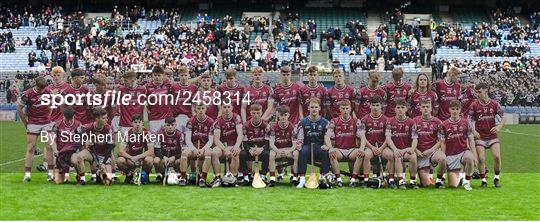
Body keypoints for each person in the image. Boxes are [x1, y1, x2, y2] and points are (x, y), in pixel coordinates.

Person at [18, 76, 54, 182]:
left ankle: (50, 173)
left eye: (43, 88)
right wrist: (26, 123)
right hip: (33, 123)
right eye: (40, 89)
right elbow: (19, 109)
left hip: (46, 123)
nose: (42, 91)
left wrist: (48, 115)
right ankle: (27, 174)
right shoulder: (28, 94)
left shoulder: (49, 91)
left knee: (50, 147)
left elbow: (52, 104)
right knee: (31, 148)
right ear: (35, 85)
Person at [469, 83, 504, 188]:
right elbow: (469, 120)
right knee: (481, 158)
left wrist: (498, 127)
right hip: (480, 137)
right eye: (477, 92)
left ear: (486, 90)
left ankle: (496, 178)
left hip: (492, 136)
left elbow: (504, 116)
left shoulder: (494, 104)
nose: (478, 94)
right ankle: (483, 180)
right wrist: (474, 131)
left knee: (497, 157)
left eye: (479, 92)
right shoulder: (474, 105)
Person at [439, 100, 477, 191]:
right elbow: (443, 142)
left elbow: (471, 139)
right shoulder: (444, 125)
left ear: (460, 110)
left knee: (469, 158)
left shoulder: (466, 123)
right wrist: (444, 157)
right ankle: (459, 175)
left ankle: (466, 182)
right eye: (453, 109)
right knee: (453, 185)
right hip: (451, 154)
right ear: (449, 110)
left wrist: (475, 156)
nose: (455, 111)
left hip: (463, 151)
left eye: (457, 109)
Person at [324, 100, 363, 187]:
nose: (345, 110)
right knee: (332, 154)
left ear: (350, 109)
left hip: (352, 149)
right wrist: (331, 148)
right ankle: (339, 179)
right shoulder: (334, 121)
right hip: (339, 149)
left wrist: (361, 148)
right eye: (343, 108)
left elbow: (363, 137)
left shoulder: (356, 121)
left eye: (347, 108)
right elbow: (327, 136)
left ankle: (353, 179)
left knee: (360, 154)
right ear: (340, 110)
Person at [73, 107, 115, 185]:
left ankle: (99, 173)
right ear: (97, 119)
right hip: (91, 153)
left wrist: (103, 163)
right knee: (79, 156)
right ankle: (82, 180)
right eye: (104, 118)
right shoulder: (88, 127)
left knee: (108, 182)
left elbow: (110, 148)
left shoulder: (108, 129)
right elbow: (76, 131)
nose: (107, 120)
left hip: (103, 156)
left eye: (106, 117)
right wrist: (85, 139)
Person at [295, 98, 330, 188]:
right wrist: (299, 144)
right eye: (312, 107)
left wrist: (327, 145)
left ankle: (323, 178)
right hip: (307, 146)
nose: (314, 109)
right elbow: (300, 136)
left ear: (319, 108)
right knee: (302, 151)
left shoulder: (325, 122)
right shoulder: (303, 122)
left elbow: (328, 136)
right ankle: (302, 180)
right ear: (308, 108)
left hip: (319, 146)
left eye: (316, 107)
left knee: (325, 152)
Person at [385, 99, 419, 189]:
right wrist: (395, 149)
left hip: (406, 148)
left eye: (402, 107)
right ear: (395, 109)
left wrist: (412, 148)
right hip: (394, 148)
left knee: (413, 157)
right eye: (398, 107)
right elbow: (388, 138)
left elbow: (415, 138)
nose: (400, 109)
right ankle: (401, 181)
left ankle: (413, 181)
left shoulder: (411, 122)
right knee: (396, 156)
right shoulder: (390, 121)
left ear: (406, 109)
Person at [358, 95, 391, 188]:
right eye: (373, 105)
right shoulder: (364, 119)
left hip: (383, 147)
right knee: (367, 155)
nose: (375, 107)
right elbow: (363, 137)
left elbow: (388, 138)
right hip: (369, 146)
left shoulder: (387, 120)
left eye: (377, 105)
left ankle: (390, 179)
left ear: (381, 106)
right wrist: (372, 148)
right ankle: (366, 180)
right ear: (370, 106)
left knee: (390, 155)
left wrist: (380, 148)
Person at [413, 100, 446, 188]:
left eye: (427, 106)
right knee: (426, 184)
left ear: (431, 108)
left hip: (432, 152)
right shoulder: (415, 121)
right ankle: (424, 177)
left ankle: (439, 181)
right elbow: (410, 139)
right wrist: (416, 150)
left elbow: (441, 140)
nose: (425, 109)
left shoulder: (438, 122)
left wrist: (430, 150)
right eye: (423, 107)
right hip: (420, 154)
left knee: (442, 158)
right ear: (420, 109)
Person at [209, 102, 243, 187]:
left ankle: (232, 177)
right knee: (214, 152)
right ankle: (217, 178)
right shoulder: (217, 121)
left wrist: (236, 146)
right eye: (224, 107)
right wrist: (225, 149)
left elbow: (240, 134)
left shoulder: (237, 117)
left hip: (234, 145)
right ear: (221, 108)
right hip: (222, 146)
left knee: (236, 152)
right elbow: (216, 140)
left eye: (228, 107)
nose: (227, 109)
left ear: (232, 107)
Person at [116, 114, 155, 184]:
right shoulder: (127, 134)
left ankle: (145, 175)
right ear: (132, 123)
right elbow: (120, 151)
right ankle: (129, 175)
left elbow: (151, 151)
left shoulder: (147, 134)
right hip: (131, 160)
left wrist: (138, 157)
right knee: (120, 161)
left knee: (149, 160)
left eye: (139, 122)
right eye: (135, 122)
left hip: (143, 159)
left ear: (142, 123)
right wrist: (131, 157)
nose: (137, 124)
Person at [183, 103, 215, 187]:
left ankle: (202, 179)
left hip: (205, 147)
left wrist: (202, 149)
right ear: (195, 109)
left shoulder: (211, 121)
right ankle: (183, 178)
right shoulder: (190, 121)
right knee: (184, 153)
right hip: (193, 147)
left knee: (208, 153)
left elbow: (210, 140)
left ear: (206, 109)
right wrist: (194, 149)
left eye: (202, 108)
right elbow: (188, 139)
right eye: (198, 108)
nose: (200, 110)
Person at [268, 105, 300, 186]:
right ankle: (272, 179)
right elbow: (271, 144)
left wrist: (288, 151)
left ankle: (295, 178)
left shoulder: (292, 127)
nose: (283, 117)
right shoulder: (273, 127)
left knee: (296, 153)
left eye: (285, 115)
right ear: (278, 115)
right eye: (281, 115)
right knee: (271, 154)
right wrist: (278, 151)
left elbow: (294, 145)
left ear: (288, 115)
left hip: (289, 149)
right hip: (277, 149)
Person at [49, 106, 82, 184]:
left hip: (72, 152)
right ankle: (63, 173)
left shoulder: (78, 124)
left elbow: (82, 139)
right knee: (58, 182)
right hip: (61, 153)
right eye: (68, 119)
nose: (70, 121)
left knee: (76, 160)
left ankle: (79, 176)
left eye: (71, 119)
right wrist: (55, 150)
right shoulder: (57, 124)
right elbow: (52, 140)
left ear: (74, 116)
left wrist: (79, 150)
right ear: (63, 116)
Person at [239, 103, 270, 185]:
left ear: (261, 112)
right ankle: (245, 177)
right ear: (250, 113)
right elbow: (244, 143)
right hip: (251, 150)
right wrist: (250, 149)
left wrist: (261, 149)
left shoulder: (266, 125)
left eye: (258, 113)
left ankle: (263, 176)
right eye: (254, 113)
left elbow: (268, 143)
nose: (256, 115)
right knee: (242, 154)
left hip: (261, 149)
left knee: (267, 154)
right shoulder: (245, 125)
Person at [153, 117, 183, 184]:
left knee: (182, 159)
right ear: (165, 125)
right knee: (156, 160)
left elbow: (183, 151)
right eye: (168, 125)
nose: (170, 127)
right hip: (164, 158)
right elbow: (156, 151)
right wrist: (163, 157)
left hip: (175, 158)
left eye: (172, 125)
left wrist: (174, 157)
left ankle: (178, 174)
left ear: (175, 125)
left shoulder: (180, 134)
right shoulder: (159, 134)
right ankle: (162, 174)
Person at [146, 66, 174, 133]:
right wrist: (145, 106)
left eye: (159, 75)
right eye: (155, 75)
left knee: (167, 139)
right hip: (154, 119)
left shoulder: (167, 84)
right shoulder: (147, 87)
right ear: (152, 76)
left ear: (163, 76)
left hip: (167, 118)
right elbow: (142, 99)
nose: (157, 77)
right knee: (155, 141)